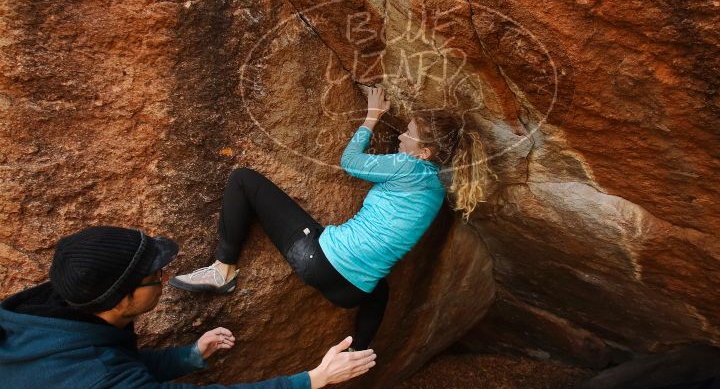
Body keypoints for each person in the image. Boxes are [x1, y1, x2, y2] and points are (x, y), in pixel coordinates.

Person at [0, 226, 376, 389]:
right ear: (122, 299)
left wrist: (187, 357)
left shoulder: (51, 311)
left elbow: (105, 372)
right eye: (155, 275)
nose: (165, 277)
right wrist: (315, 378)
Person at [170, 85, 492, 350]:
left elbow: (349, 161)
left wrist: (372, 117)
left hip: (319, 261)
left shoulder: (407, 166)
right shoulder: (437, 191)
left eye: (408, 133)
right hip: (351, 294)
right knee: (379, 289)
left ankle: (222, 270)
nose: (400, 137)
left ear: (425, 152)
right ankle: (359, 347)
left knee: (243, 180)